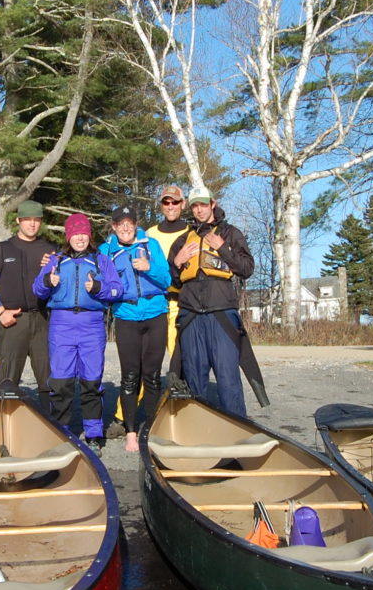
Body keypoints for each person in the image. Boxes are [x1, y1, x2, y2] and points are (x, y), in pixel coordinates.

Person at [169, 189, 267, 415]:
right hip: (191, 315)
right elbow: (172, 279)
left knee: (228, 379)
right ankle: (199, 436)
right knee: (194, 380)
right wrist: (177, 261)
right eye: (194, 206)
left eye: (203, 205)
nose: (199, 210)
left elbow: (246, 269)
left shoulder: (231, 233)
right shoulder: (183, 240)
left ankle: (237, 436)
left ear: (212, 204)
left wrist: (222, 247)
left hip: (221, 313)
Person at [33, 212, 123, 450]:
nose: (80, 238)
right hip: (61, 324)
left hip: (92, 323)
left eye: (84, 233)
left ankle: (93, 433)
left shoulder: (101, 260)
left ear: (89, 235)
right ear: (68, 236)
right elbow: (37, 288)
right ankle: (61, 432)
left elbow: (117, 289)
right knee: (61, 382)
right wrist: (46, 283)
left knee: (91, 381)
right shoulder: (57, 260)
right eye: (75, 234)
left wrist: (98, 287)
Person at [100, 204, 171, 451]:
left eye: (130, 222)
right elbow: (91, 270)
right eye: (121, 223)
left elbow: (167, 279)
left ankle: (150, 429)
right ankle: (131, 431)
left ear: (136, 224)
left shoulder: (151, 245)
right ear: (114, 226)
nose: (126, 227)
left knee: (151, 376)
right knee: (130, 377)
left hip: (155, 313)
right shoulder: (106, 250)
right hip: (126, 316)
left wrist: (149, 267)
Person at [0, 199, 54, 395]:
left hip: (43, 319)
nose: (32, 224)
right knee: (5, 379)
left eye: (36, 219)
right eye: (27, 219)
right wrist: (0, 311)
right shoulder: (3, 249)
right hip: (13, 321)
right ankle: (2, 423)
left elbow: (60, 284)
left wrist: (51, 267)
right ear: (18, 220)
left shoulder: (49, 250)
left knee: (49, 380)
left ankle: (51, 424)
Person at [145, 184, 189, 355]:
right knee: (148, 354)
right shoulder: (149, 234)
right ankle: (145, 383)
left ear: (182, 204)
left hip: (180, 302)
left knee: (179, 354)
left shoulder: (191, 232)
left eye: (175, 202)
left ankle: (179, 381)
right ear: (161, 205)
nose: (170, 206)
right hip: (154, 302)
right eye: (166, 202)